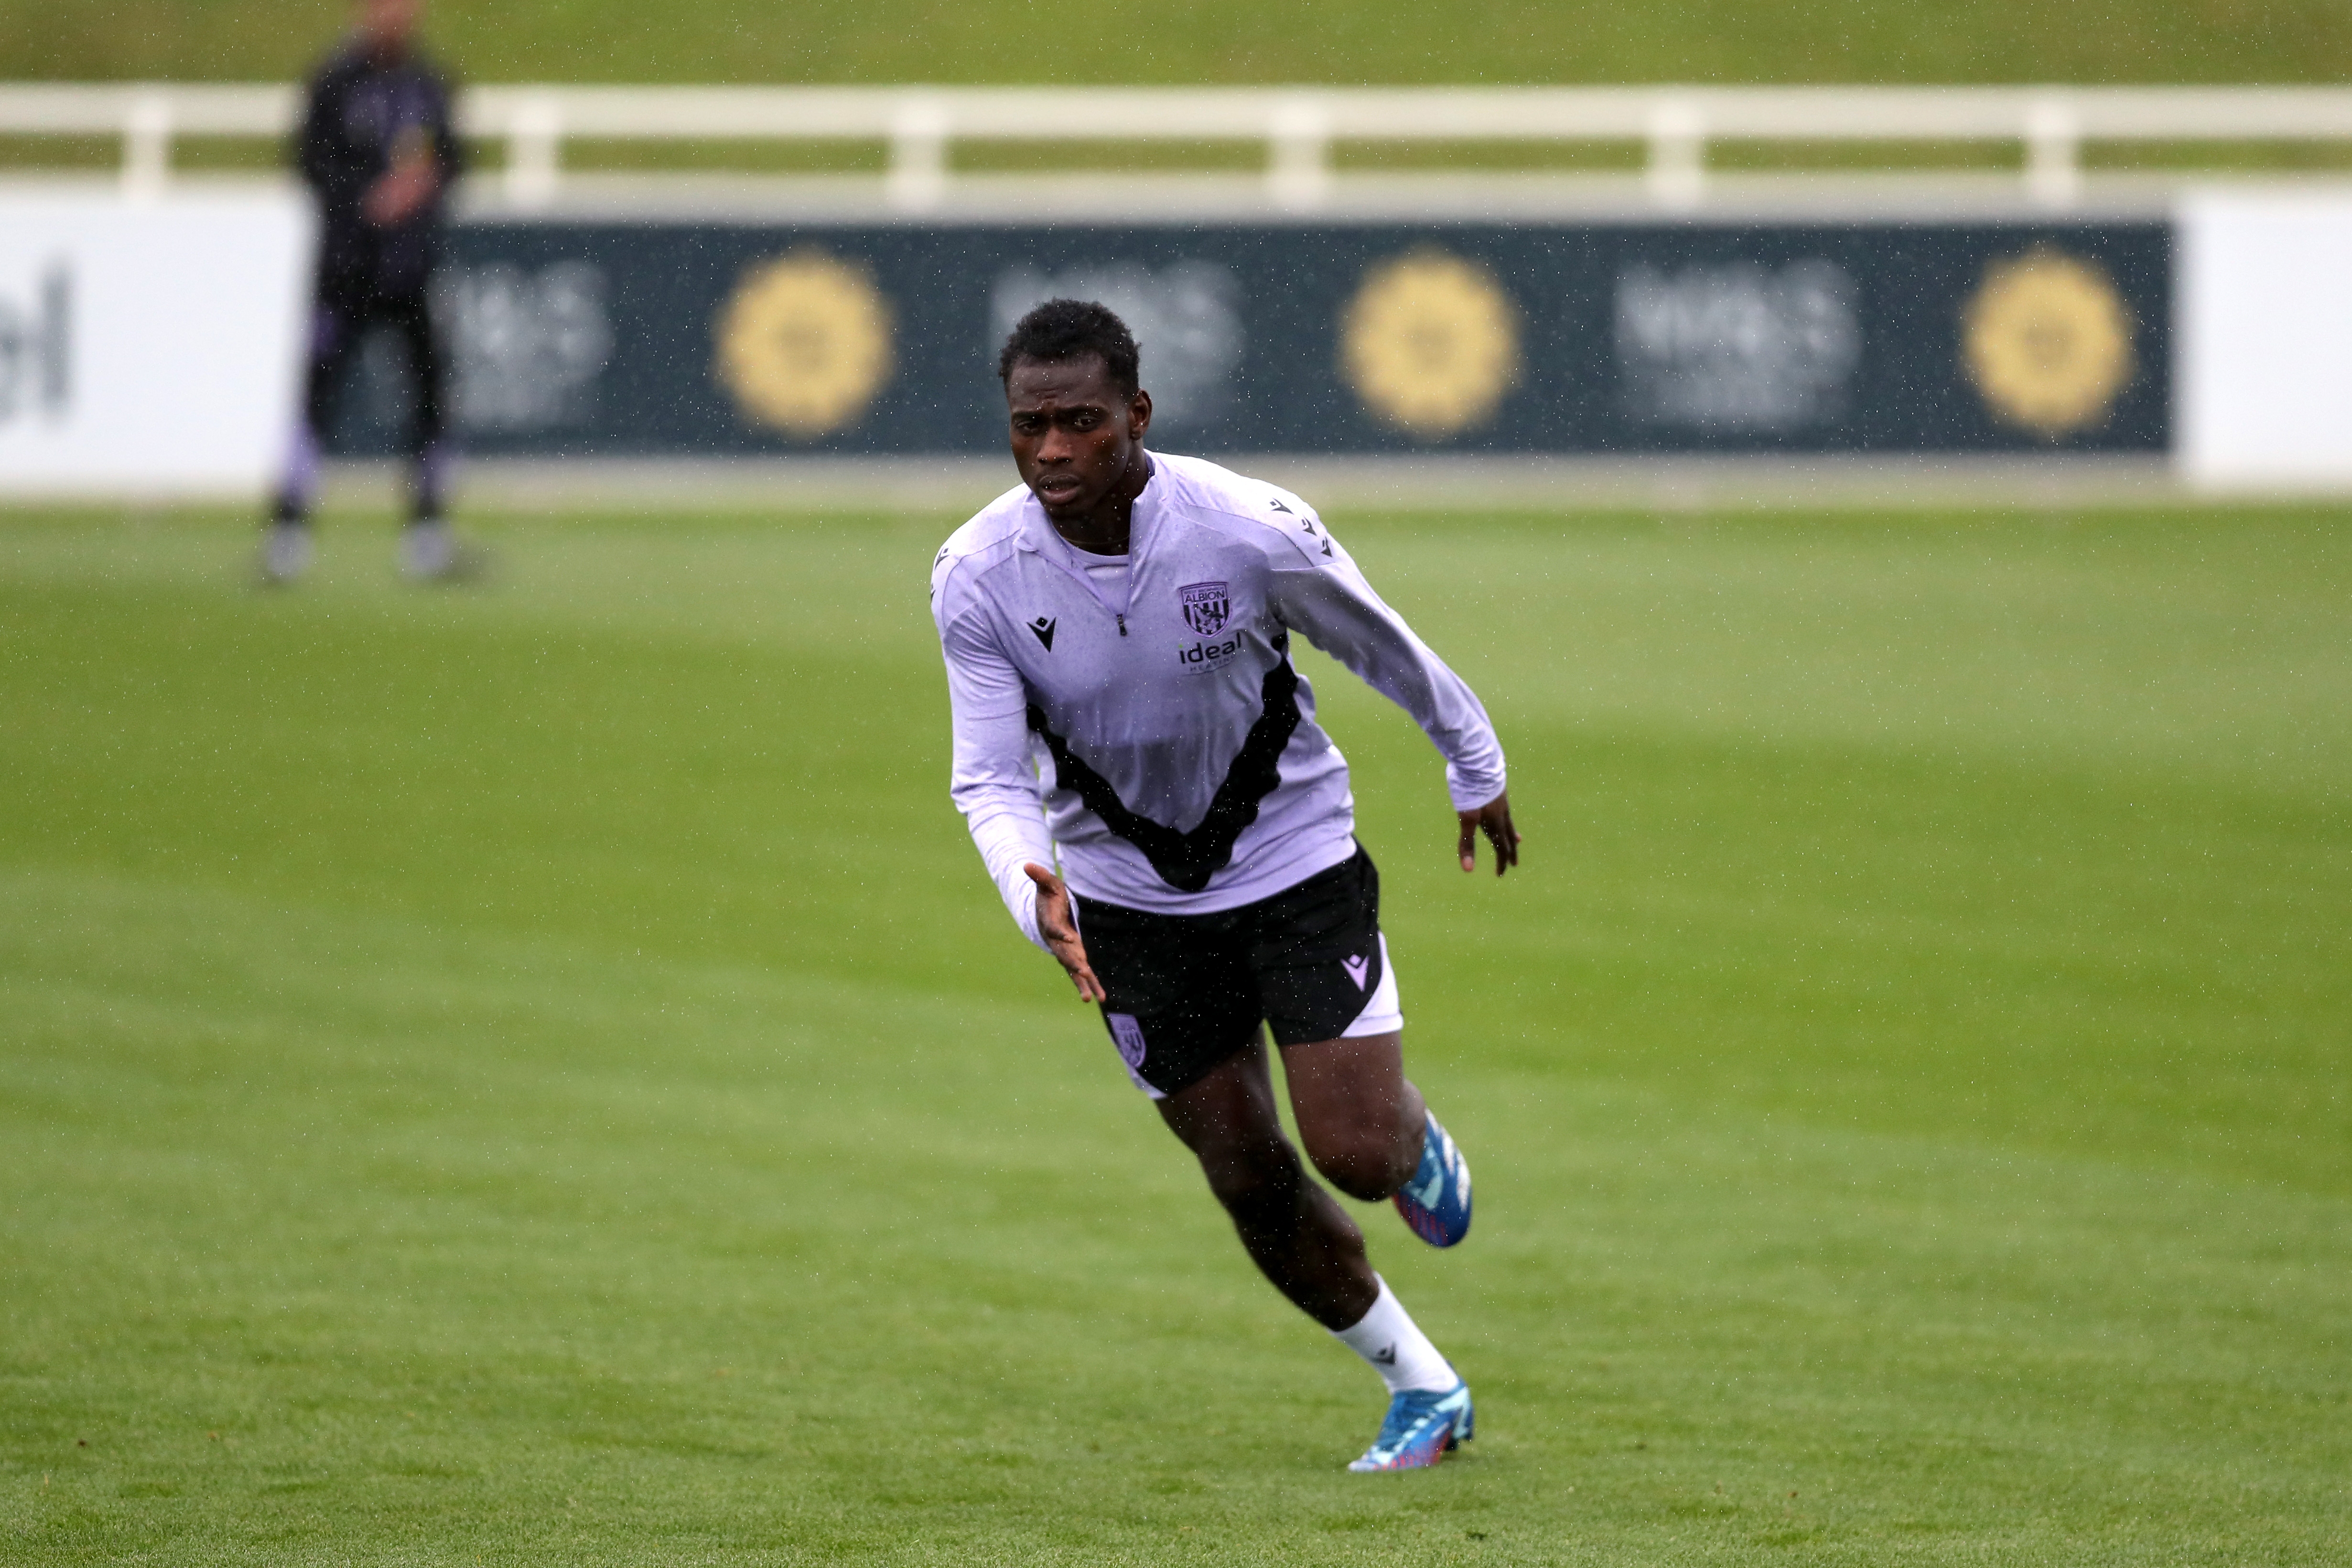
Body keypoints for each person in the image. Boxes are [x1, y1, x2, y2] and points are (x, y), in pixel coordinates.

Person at [930, 300, 1521, 1472]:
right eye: (1029, 425)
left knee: (1352, 1149)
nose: (1051, 450)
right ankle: (1423, 1384)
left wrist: (1475, 764)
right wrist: (1030, 884)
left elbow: (1383, 644)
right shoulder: (976, 575)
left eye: (1080, 423)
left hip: (1294, 858)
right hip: (1123, 903)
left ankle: (1412, 1142)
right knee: (1247, 1172)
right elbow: (989, 776)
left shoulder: (1249, 528)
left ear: (1136, 417)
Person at [263, 0, 475, 584]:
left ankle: (427, 535)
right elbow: (309, 162)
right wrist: (367, 198)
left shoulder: (428, 83)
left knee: (430, 397)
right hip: (346, 271)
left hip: (410, 270)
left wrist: (426, 183)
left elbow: (456, 157)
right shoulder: (334, 83)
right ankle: (288, 533)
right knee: (316, 398)